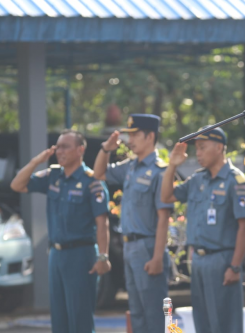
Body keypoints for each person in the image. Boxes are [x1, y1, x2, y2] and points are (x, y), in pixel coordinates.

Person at [10, 130, 111, 333]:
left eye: (65, 146)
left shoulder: (92, 181)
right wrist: (37, 161)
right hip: (56, 254)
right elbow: (17, 185)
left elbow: (102, 223)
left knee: (80, 318)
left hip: (81, 255)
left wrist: (103, 256)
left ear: (80, 149)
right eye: (57, 146)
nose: (59, 151)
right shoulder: (52, 175)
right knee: (59, 319)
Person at [160, 127, 245, 333]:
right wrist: (172, 166)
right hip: (198, 261)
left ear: (219, 147)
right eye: (196, 149)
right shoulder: (197, 179)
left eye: (202, 147)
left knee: (225, 324)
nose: (197, 153)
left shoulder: (235, 181)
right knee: (203, 323)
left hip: (222, 260)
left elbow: (244, 227)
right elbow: (166, 197)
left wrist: (235, 266)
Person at [93, 114, 173, 333]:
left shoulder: (160, 171)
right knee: (136, 312)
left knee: (154, 312)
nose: (130, 140)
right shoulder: (130, 167)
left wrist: (157, 257)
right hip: (129, 247)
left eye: (135, 135)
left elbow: (163, 218)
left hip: (148, 247)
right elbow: (99, 173)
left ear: (150, 136)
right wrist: (105, 149)